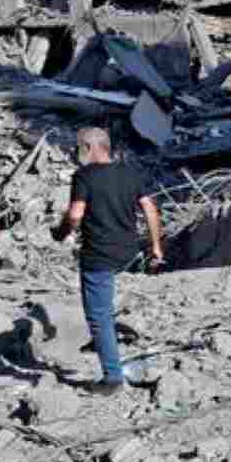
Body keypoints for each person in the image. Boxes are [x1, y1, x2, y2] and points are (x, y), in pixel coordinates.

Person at [52, 127, 164, 393]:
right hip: (128, 251)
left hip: (99, 254)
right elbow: (150, 208)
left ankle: (112, 377)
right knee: (106, 304)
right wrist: (156, 247)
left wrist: (61, 232)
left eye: (77, 146)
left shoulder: (84, 176)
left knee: (98, 314)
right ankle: (106, 340)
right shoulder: (130, 172)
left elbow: (76, 214)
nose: (74, 152)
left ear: (90, 147)